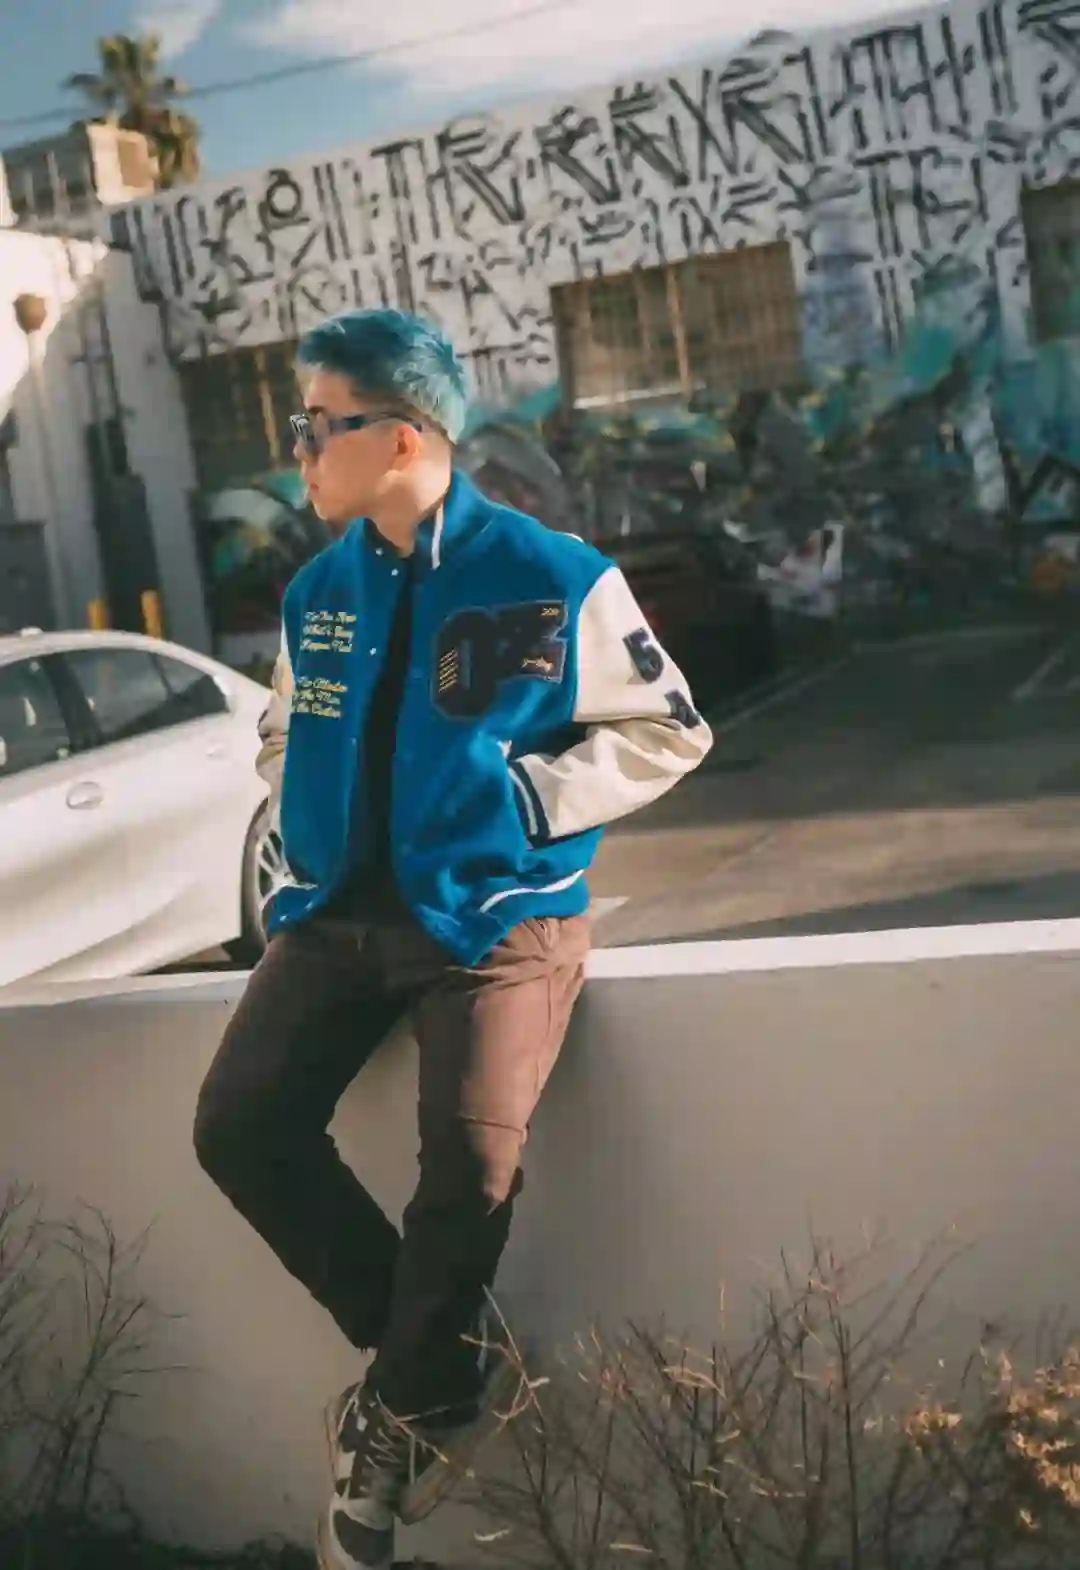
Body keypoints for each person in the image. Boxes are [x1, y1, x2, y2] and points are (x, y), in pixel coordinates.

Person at [192, 307, 713, 1570]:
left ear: (403, 437)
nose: (297, 449)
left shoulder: (553, 572)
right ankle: (434, 1370)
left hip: (497, 918)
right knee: (240, 1125)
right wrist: (303, 816)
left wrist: (524, 805)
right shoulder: (318, 589)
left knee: (471, 1169)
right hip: (337, 918)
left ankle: (394, 1430)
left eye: (317, 424)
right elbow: (286, 727)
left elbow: (670, 727)